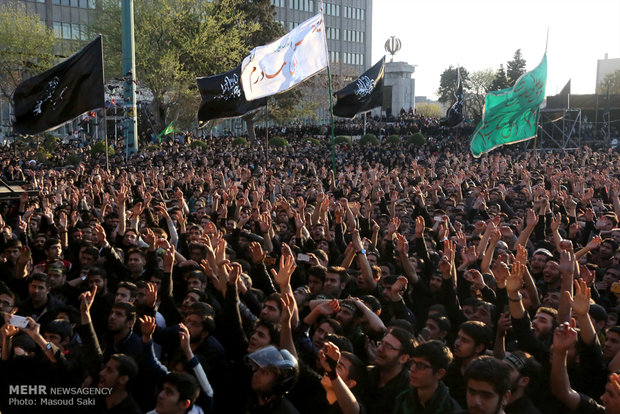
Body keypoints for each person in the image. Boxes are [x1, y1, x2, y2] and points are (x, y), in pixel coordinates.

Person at [393, 340, 461, 414]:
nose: (412, 369)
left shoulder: (451, 409)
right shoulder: (401, 399)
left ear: (440, 373)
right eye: (413, 362)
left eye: (420, 366)